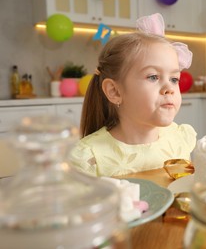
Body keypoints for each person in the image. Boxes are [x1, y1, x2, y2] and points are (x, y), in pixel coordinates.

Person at [69, 13, 197, 177]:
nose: (169, 88)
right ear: (114, 91)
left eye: (174, 79)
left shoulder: (179, 139)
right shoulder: (89, 158)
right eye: (153, 77)